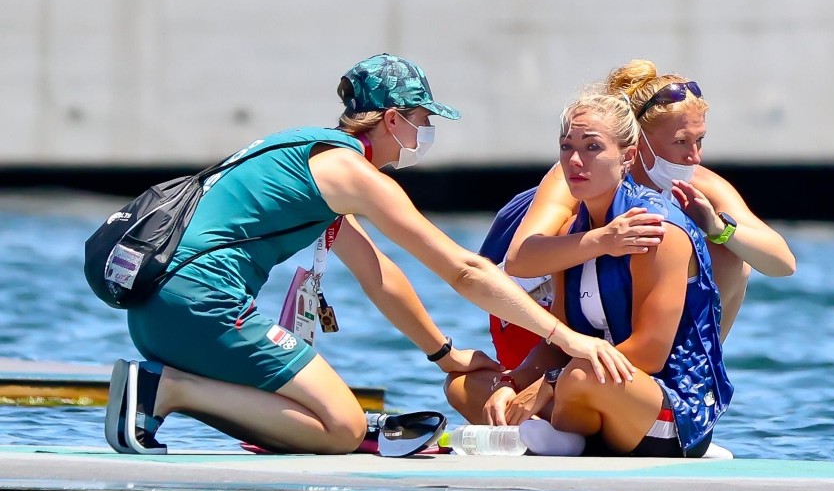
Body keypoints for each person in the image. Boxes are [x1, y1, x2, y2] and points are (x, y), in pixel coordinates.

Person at [104, 53, 635, 455]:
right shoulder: (353, 173)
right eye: (422, 119)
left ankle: (157, 399)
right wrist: (566, 338)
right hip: (202, 311)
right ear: (391, 120)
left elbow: (377, 272)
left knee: (330, 420)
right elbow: (465, 270)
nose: (425, 133)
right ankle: (167, 389)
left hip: (158, 315)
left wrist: (442, 353)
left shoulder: (308, 152)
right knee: (341, 428)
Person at [446, 89, 733, 458]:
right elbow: (558, 340)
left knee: (579, 377)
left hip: (672, 408)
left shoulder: (655, 230)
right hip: (587, 388)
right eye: (567, 147)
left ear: (628, 157)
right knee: (465, 386)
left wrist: (549, 384)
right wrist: (512, 382)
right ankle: (558, 438)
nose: (575, 161)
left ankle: (554, 441)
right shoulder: (574, 233)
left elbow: (650, 353)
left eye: (592, 147)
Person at [482, 59, 796, 367]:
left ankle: (688, 376)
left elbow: (782, 263)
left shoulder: (700, 183)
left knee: (731, 258)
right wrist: (604, 239)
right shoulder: (579, 173)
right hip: (535, 321)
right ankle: (560, 382)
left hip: (611, 325)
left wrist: (718, 228)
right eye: (681, 142)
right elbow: (520, 259)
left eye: (699, 141)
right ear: (636, 143)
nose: (694, 156)